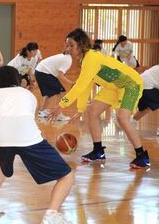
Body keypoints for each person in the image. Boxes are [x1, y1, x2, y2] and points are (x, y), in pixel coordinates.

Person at [0, 66, 74, 223]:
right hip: (28, 139)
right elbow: (24, 120)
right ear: (17, 80)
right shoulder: (28, 94)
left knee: (2, 162)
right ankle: (51, 215)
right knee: (67, 176)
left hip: (1, 140)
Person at [49, 28, 150, 169]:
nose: (68, 49)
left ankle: (142, 156)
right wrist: (80, 109)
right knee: (92, 111)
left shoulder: (91, 58)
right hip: (113, 87)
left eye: (71, 45)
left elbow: (79, 86)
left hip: (130, 84)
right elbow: (86, 85)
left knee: (122, 117)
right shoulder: (84, 61)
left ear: (81, 44)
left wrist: (61, 105)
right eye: (67, 45)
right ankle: (98, 151)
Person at [35, 52, 73, 121]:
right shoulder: (68, 60)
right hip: (44, 72)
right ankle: (58, 114)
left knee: (50, 93)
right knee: (61, 92)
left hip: (40, 71)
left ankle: (42, 112)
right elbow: (60, 75)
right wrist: (72, 83)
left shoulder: (66, 57)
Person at [132, 64, 159, 136]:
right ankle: (131, 122)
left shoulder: (156, 67)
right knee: (152, 105)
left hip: (140, 84)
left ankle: (132, 122)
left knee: (147, 107)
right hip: (146, 86)